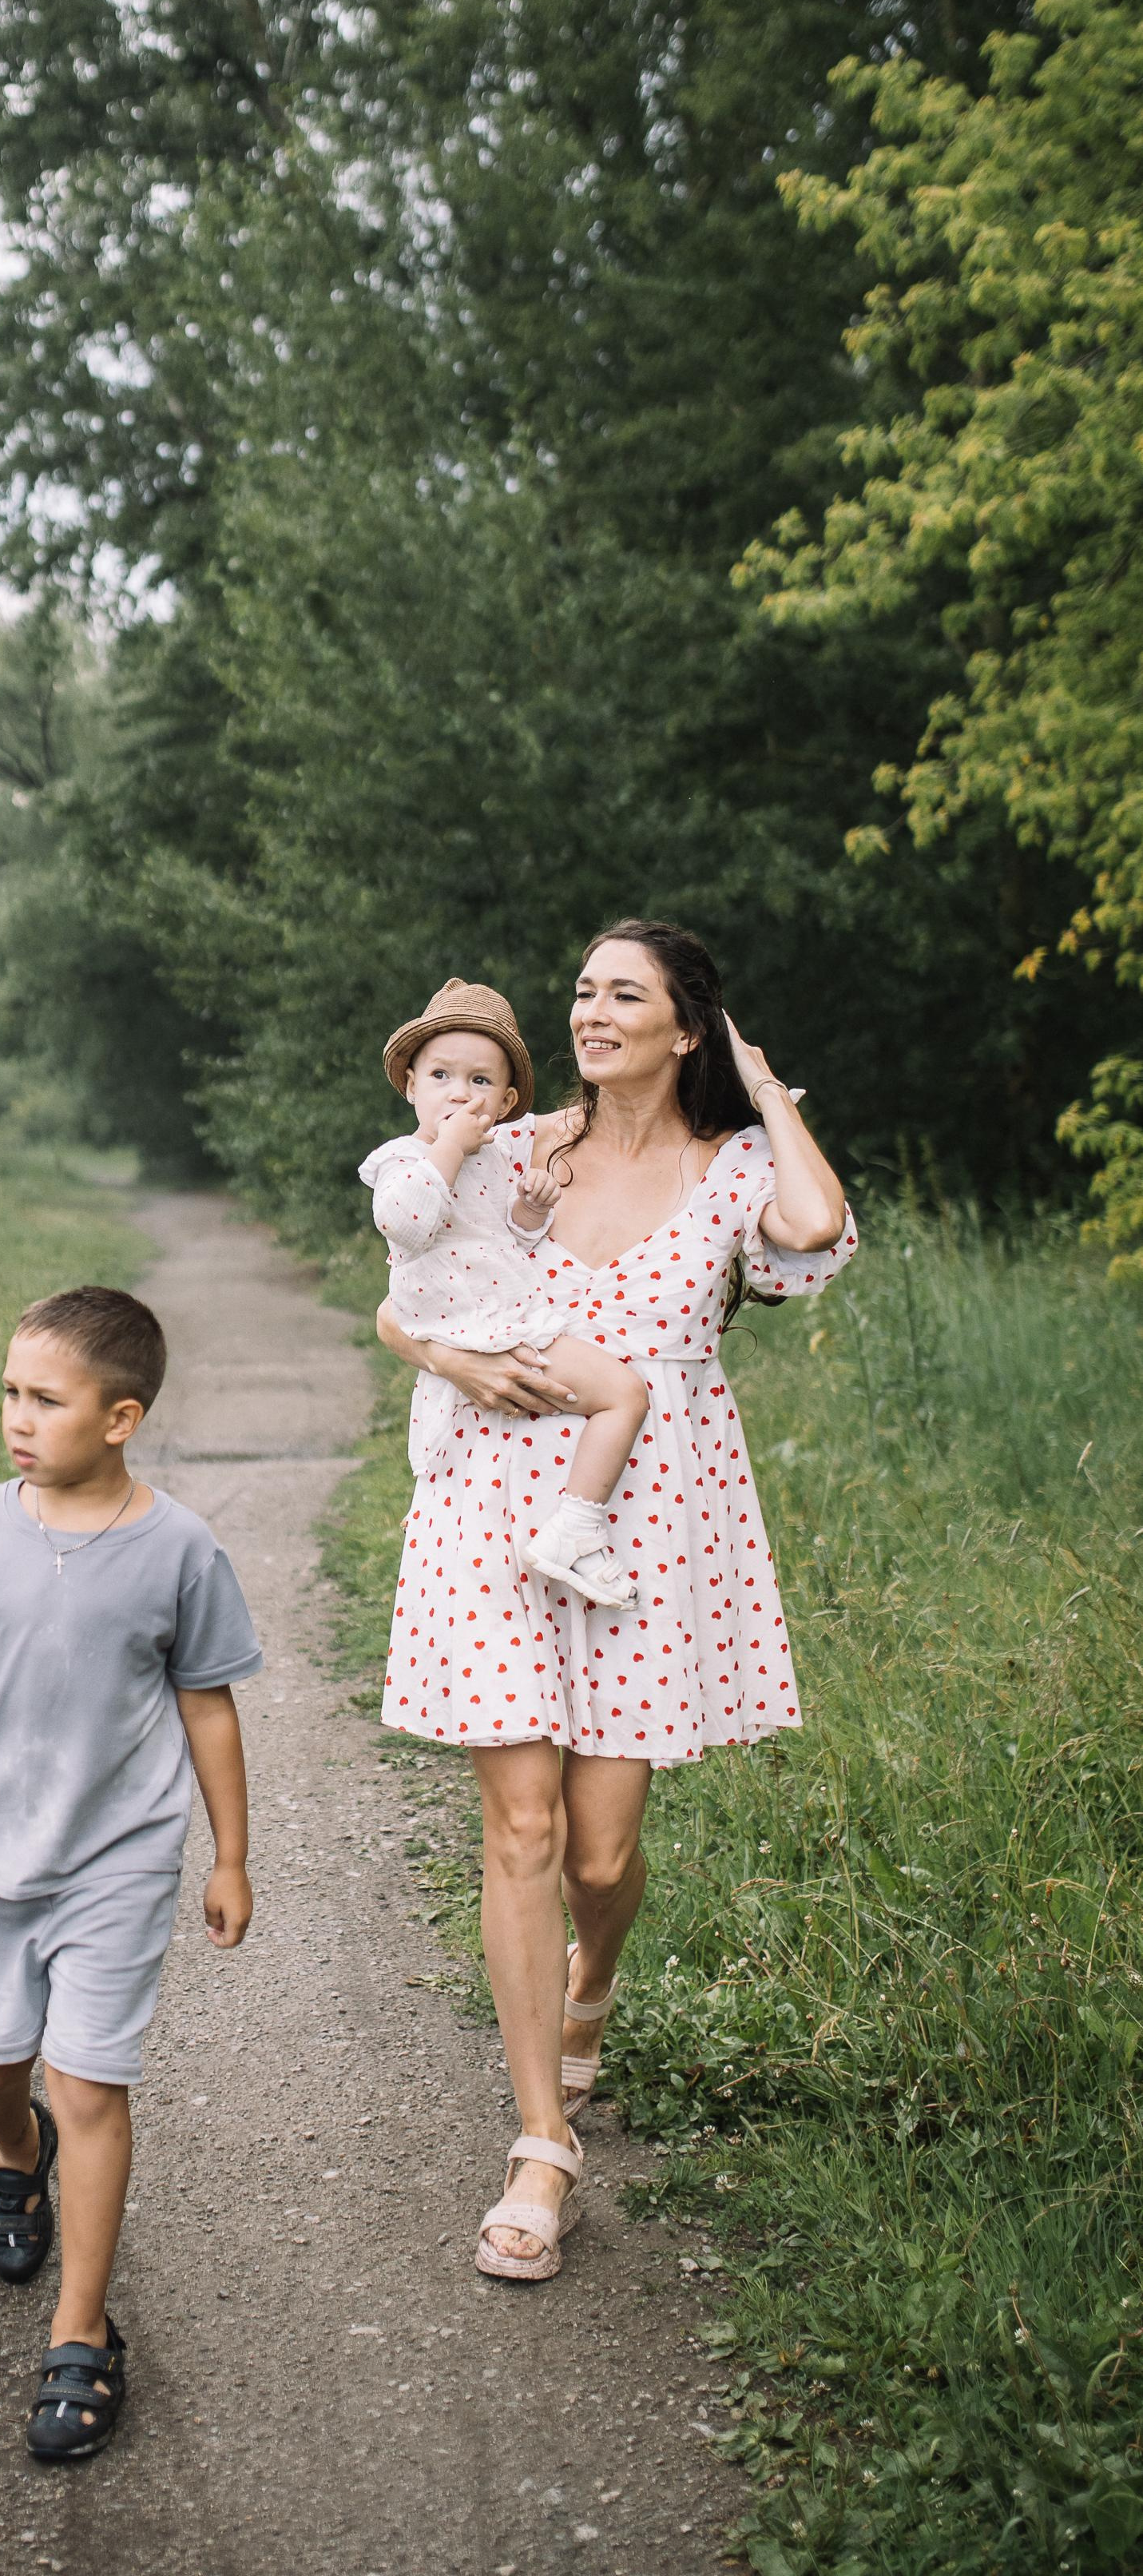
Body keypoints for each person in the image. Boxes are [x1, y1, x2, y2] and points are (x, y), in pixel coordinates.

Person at [374, 921, 853, 2284]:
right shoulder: (520, 1146)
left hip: (653, 1521)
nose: (588, 1011)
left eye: (621, 995)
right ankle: (541, 2149)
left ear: (683, 1029)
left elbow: (813, 1234)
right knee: (518, 1828)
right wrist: (458, 1370)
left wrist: (765, 1091)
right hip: (487, 1506)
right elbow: (402, 1298)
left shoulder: (734, 1167)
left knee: (596, 1856)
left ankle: (592, 1980)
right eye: (580, 989)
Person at [0, 1286, 259, 2461]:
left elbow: (209, 1707)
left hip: (116, 1865)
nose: (15, 1419)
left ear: (120, 1416)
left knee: (89, 2085)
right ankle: (12, 2148)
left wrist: (228, 1854)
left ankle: (81, 2334)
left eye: (45, 1399)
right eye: (7, 1396)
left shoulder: (177, 1548)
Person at [362, 976, 649, 1609]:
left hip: (501, 1312)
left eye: (479, 1082)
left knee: (616, 1395)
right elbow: (405, 1226)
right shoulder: (403, 1160)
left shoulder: (494, 1160)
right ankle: (577, 1527)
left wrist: (527, 1207)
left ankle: (570, 1523)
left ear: (506, 1100)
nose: (458, 1094)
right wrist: (448, 1149)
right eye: (439, 1076)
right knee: (624, 1394)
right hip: (485, 1325)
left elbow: (506, 1243)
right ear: (410, 1085)